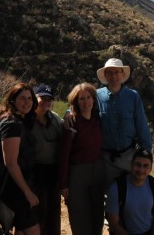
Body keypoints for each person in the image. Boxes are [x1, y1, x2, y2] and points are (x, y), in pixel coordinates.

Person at [96, 58, 152, 190]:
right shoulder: (96, 96)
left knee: (129, 195)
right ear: (105, 75)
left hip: (129, 158)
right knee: (110, 198)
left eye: (117, 72)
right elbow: (80, 105)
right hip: (105, 160)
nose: (114, 76)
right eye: (110, 72)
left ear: (122, 74)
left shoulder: (133, 96)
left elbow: (141, 126)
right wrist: (69, 113)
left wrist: (146, 155)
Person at [59, 83, 105, 235]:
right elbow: (64, 155)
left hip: (97, 172)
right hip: (78, 174)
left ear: (93, 99)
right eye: (81, 99)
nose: (86, 102)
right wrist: (64, 183)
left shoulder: (98, 119)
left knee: (97, 215)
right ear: (76, 102)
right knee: (79, 216)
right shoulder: (72, 123)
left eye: (88, 97)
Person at [0, 82, 41, 235]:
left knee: (20, 231)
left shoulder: (19, 121)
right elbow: (11, 163)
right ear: (12, 100)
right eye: (22, 98)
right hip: (16, 189)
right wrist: (28, 192)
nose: (27, 102)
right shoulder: (11, 125)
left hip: (19, 186)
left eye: (30, 98)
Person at [105, 148, 154, 235]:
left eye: (145, 166)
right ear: (131, 165)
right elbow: (114, 224)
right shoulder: (116, 188)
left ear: (150, 169)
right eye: (137, 164)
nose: (141, 170)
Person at [31, 84, 63, 235]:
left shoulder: (55, 118)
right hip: (35, 174)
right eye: (42, 98)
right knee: (39, 213)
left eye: (49, 98)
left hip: (53, 173)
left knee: (54, 212)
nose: (46, 101)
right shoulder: (26, 120)